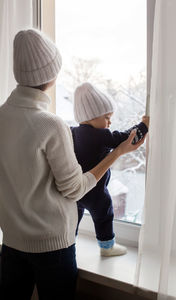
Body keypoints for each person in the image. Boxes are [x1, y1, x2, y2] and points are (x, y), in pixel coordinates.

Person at [0, 29, 147, 300]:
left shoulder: (1, 115)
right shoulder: (51, 125)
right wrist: (117, 152)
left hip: (12, 241)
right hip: (52, 248)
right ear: (50, 76)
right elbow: (75, 190)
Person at [71, 82, 149, 257]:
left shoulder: (72, 132)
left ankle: (70, 242)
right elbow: (126, 138)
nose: (110, 122)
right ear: (91, 116)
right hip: (95, 190)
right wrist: (144, 125)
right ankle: (107, 247)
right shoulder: (100, 135)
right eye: (106, 117)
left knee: (73, 219)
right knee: (105, 214)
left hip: (76, 190)